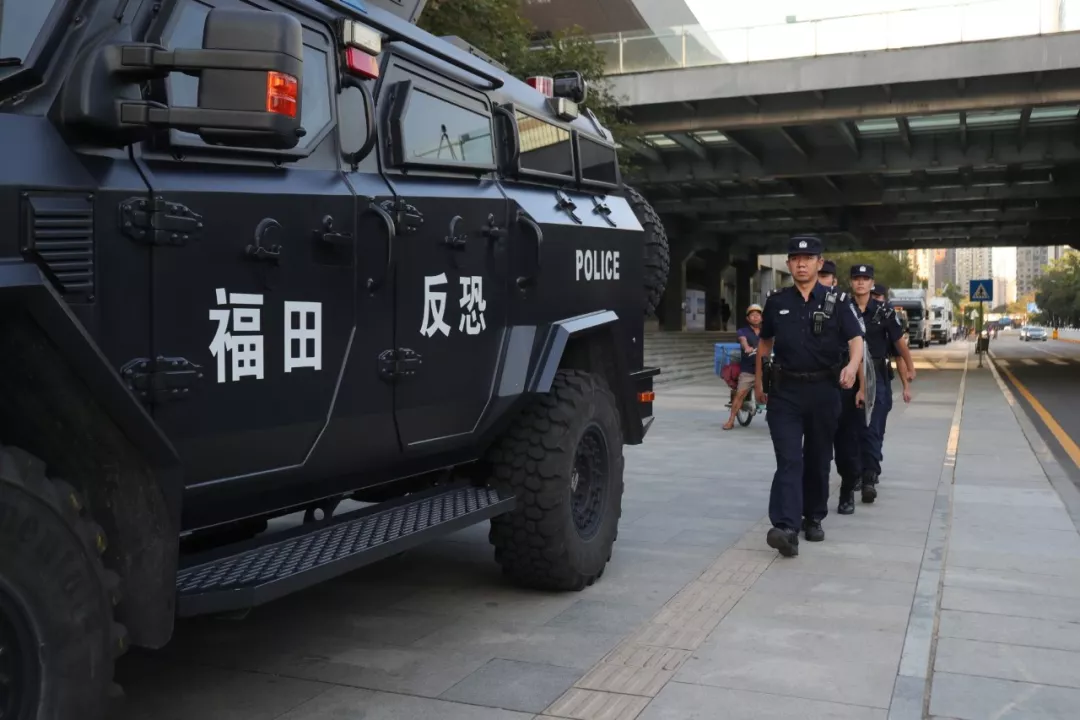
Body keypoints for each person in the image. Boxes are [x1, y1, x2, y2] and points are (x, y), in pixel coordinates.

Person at [755, 236, 865, 558]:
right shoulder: (776, 301)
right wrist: (759, 383)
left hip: (824, 391)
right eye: (795, 258)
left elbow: (856, 339)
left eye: (808, 258)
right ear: (788, 264)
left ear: (819, 262)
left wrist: (852, 367)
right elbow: (765, 344)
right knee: (789, 459)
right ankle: (786, 528)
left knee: (818, 458)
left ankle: (813, 516)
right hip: (785, 392)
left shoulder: (838, 300)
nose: (801, 264)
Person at [850, 266, 916, 505]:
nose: (860, 283)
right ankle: (855, 472)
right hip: (849, 373)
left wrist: (910, 368)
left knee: (873, 427)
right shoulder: (843, 309)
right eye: (856, 279)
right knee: (852, 429)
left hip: (875, 374)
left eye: (865, 279)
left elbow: (899, 344)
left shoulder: (884, 312)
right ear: (851, 282)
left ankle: (869, 477)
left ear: (872, 283)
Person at [723, 304, 764, 430]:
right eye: (752, 315)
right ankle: (731, 420)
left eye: (758, 315)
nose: (755, 317)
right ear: (748, 318)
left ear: (762, 317)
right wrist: (747, 348)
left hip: (765, 369)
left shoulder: (766, 331)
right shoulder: (743, 331)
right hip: (749, 369)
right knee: (740, 394)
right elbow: (742, 340)